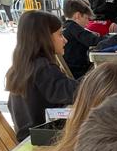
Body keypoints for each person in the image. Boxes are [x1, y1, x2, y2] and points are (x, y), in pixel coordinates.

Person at [6, 10, 79, 140]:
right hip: (41, 141)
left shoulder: (23, 66)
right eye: (60, 35)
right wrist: (100, 79)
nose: (65, 40)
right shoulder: (42, 68)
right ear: (44, 38)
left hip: (29, 137)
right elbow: (75, 92)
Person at [62, 0, 107, 79]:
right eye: (86, 18)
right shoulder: (73, 28)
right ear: (78, 15)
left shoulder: (67, 26)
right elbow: (93, 41)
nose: (87, 22)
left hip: (76, 69)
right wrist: (113, 38)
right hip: (79, 73)